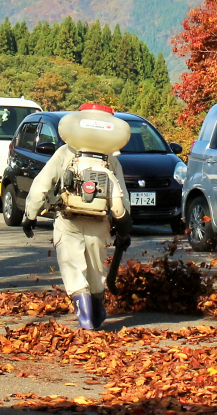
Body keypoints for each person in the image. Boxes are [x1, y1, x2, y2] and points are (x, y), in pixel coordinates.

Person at [21, 103, 133, 330]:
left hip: (68, 218)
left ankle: (85, 319)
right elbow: (122, 198)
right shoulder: (110, 160)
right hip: (99, 222)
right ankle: (98, 311)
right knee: (95, 268)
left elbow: (40, 185)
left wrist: (30, 215)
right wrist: (124, 228)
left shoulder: (65, 153)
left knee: (73, 267)